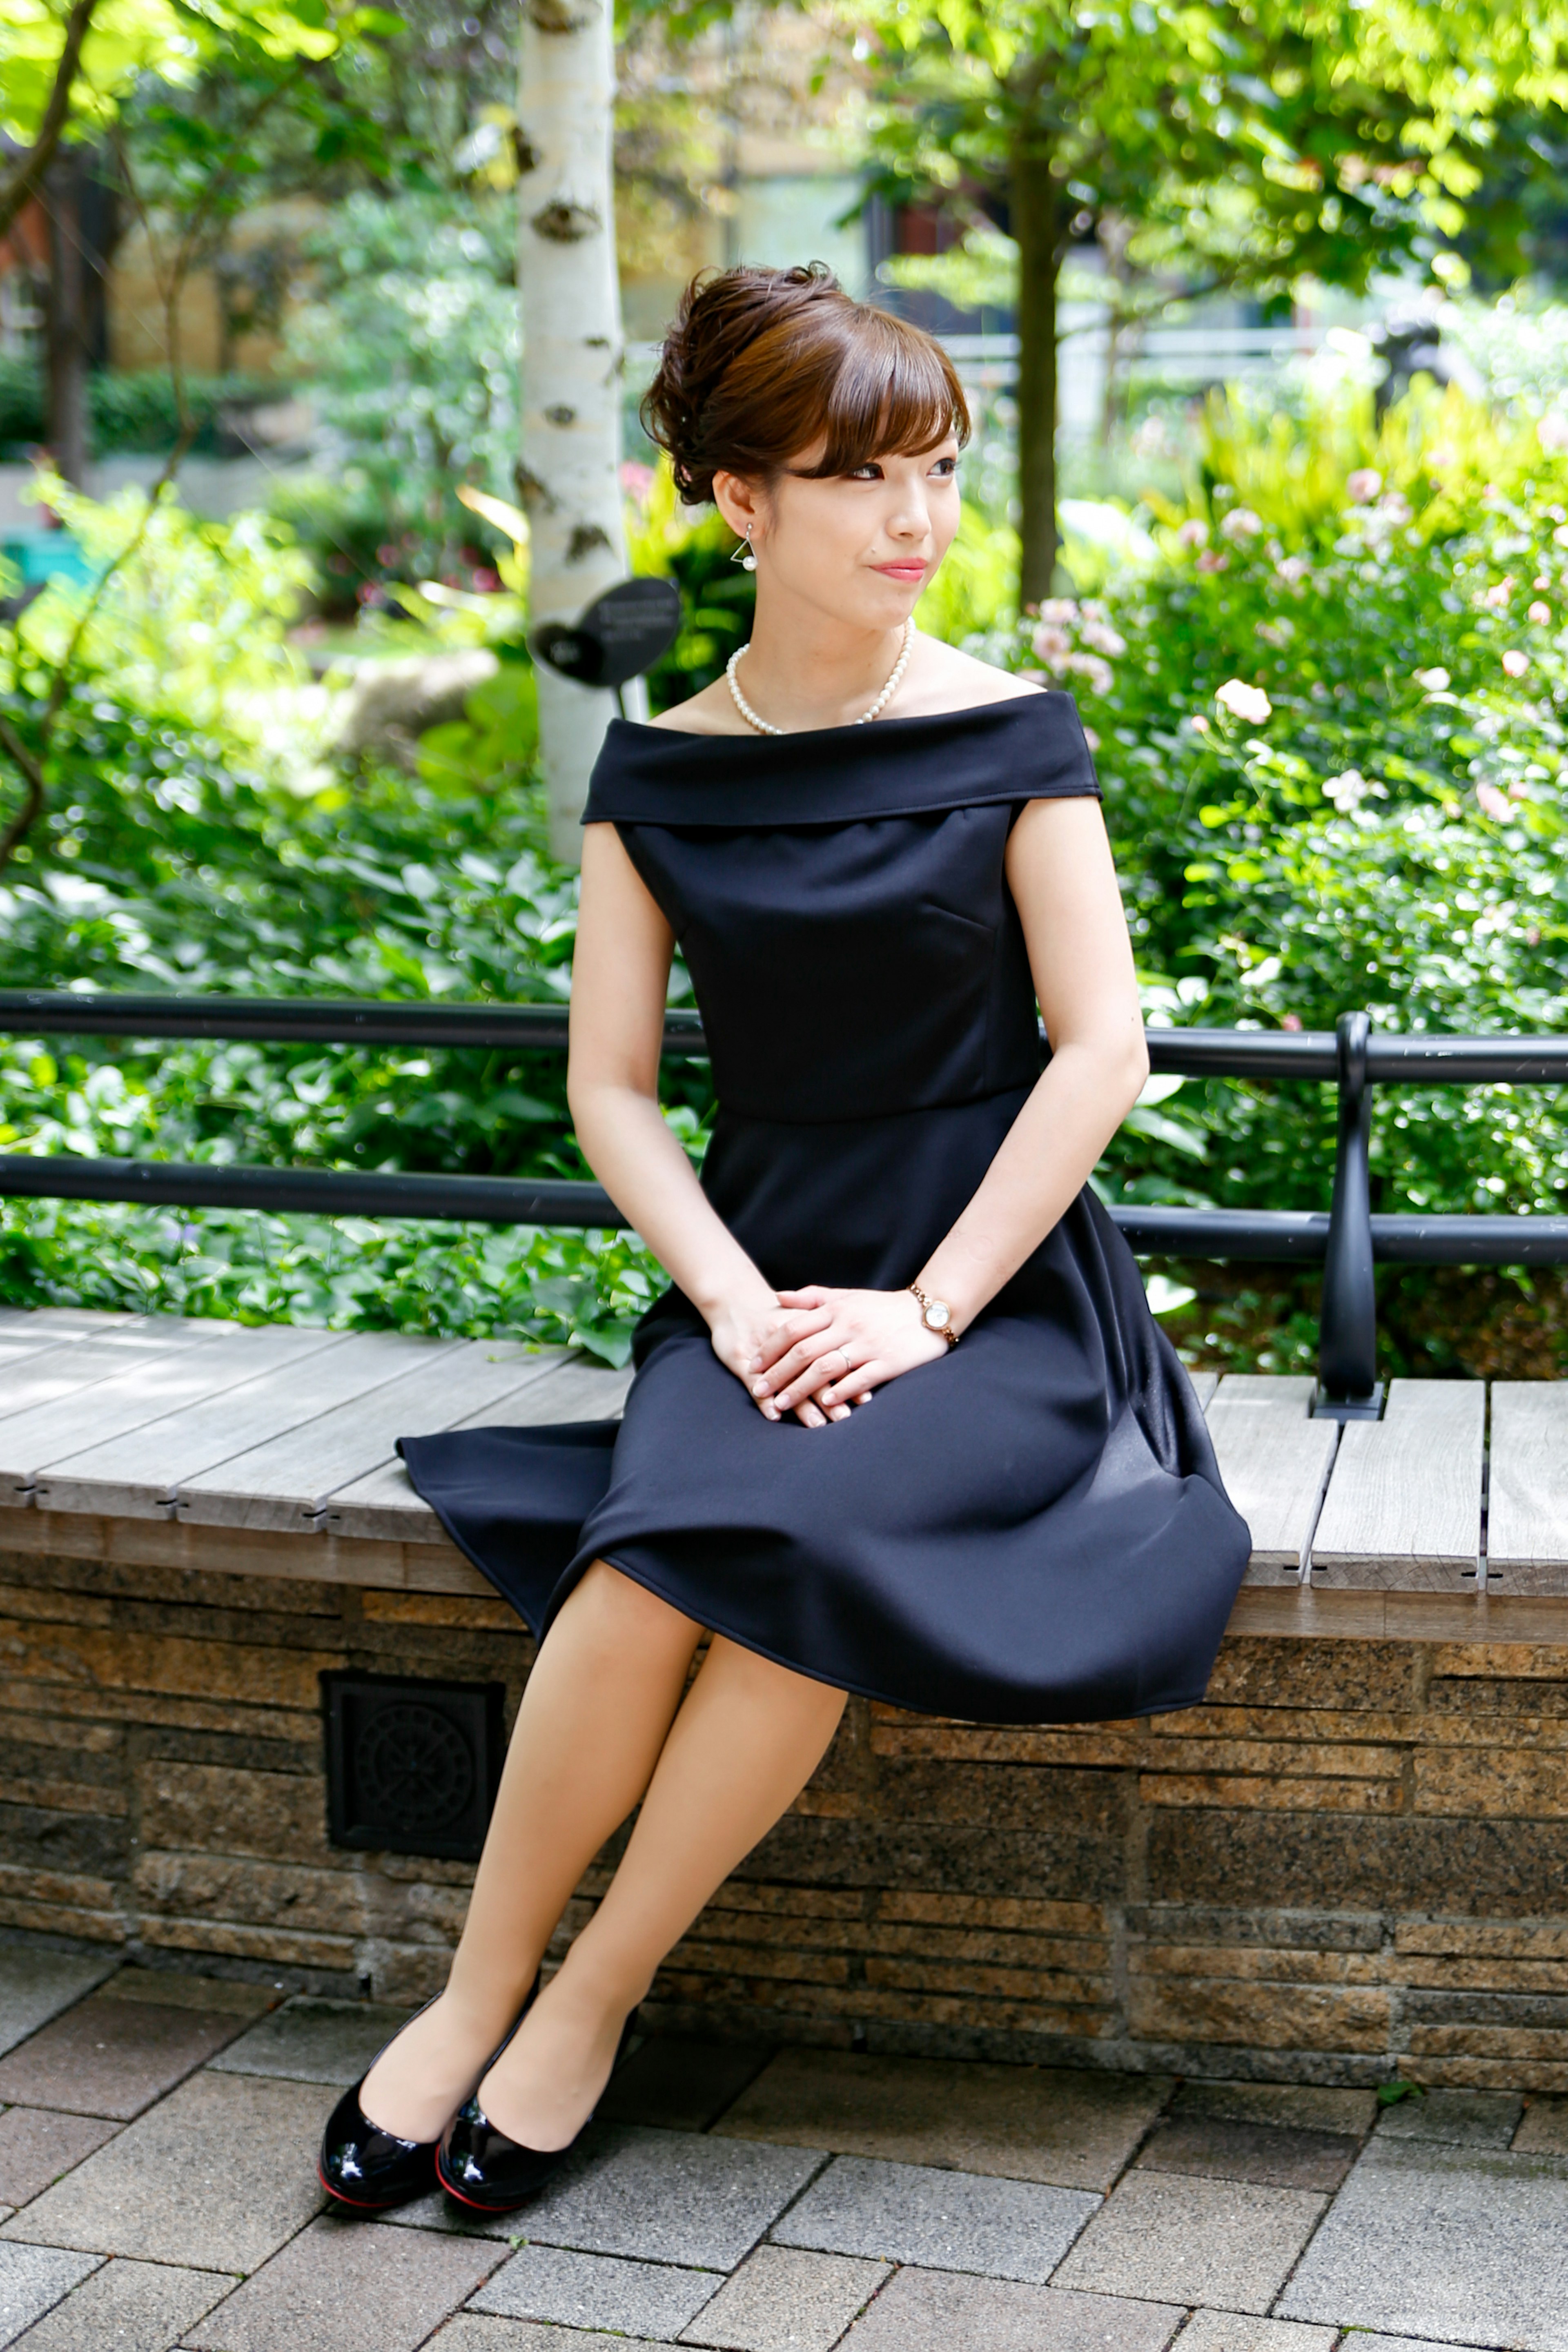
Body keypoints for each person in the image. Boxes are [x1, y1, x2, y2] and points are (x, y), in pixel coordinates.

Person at [319, 261, 1251, 2219]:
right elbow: (615, 1090)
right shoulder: (658, 772)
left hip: (992, 1295)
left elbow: (1102, 1055)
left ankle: (590, 2004)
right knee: (656, 1558)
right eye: (863, 479)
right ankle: (469, 2001)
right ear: (743, 501)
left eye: (939, 471)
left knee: (795, 1535)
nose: (918, 521)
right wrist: (737, 1308)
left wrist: (921, 1311)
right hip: (760, 1272)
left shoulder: (1012, 732)